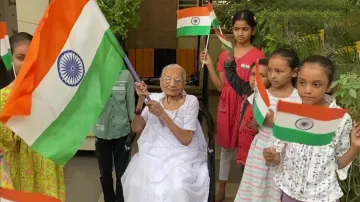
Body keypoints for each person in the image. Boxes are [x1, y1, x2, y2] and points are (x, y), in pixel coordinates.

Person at [264, 55, 360, 202]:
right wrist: (271, 155)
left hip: (323, 196)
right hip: (291, 192)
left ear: (328, 86)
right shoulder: (289, 112)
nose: (307, 90)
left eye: (316, 84)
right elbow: (276, 154)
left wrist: (354, 148)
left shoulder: (340, 119)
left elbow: (339, 163)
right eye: (302, 82)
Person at [200, 10, 265, 201]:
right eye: (237, 29)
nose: (240, 33)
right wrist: (210, 64)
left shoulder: (259, 55)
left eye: (245, 29)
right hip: (226, 105)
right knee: (226, 149)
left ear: (252, 31)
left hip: (248, 105)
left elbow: (259, 85)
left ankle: (246, 190)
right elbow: (220, 86)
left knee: (248, 148)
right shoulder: (225, 54)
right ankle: (222, 188)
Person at [121, 64, 209, 202]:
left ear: (184, 83)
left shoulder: (191, 101)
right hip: (153, 152)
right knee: (135, 181)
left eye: (178, 80)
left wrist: (163, 114)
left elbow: (186, 139)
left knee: (177, 187)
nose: (172, 84)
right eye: (168, 79)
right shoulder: (153, 98)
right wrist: (141, 100)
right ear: (161, 81)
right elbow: (136, 129)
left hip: (182, 154)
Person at [0, 32, 65, 201]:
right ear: (11, 60)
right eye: (20, 58)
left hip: (48, 167)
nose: (27, 63)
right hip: (20, 169)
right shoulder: (3, 97)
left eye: (31, 57)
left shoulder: (50, 92)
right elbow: (5, 142)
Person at [234, 48, 301, 202]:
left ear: (294, 72)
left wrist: (274, 122)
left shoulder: (299, 98)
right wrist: (258, 122)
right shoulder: (261, 93)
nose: (272, 75)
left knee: (277, 192)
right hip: (260, 150)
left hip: (287, 154)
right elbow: (254, 127)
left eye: (279, 71)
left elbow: (298, 130)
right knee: (257, 189)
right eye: (270, 70)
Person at [94, 69, 135, 202]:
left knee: (122, 173)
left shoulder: (126, 75)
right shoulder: (95, 74)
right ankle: (108, 199)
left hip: (122, 131)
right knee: (105, 174)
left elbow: (130, 102)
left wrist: (134, 122)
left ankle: (120, 200)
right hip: (101, 131)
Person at [224, 55, 270, 165]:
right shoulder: (247, 89)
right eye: (253, 74)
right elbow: (232, 77)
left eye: (262, 75)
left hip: (260, 155)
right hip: (244, 153)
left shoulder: (272, 99)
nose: (255, 79)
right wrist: (229, 62)